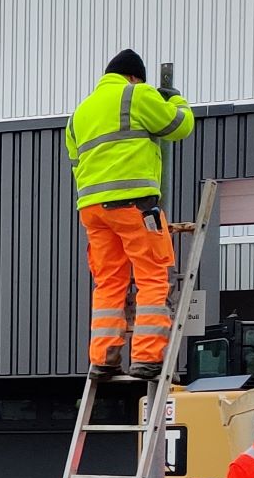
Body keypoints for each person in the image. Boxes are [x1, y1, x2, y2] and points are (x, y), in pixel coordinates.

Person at [66, 49, 195, 381]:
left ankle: (104, 359)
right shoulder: (136, 94)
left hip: (92, 210)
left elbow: (75, 161)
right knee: (153, 275)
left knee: (109, 281)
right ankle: (147, 358)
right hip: (135, 202)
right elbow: (178, 126)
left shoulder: (80, 113)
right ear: (135, 76)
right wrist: (176, 100)